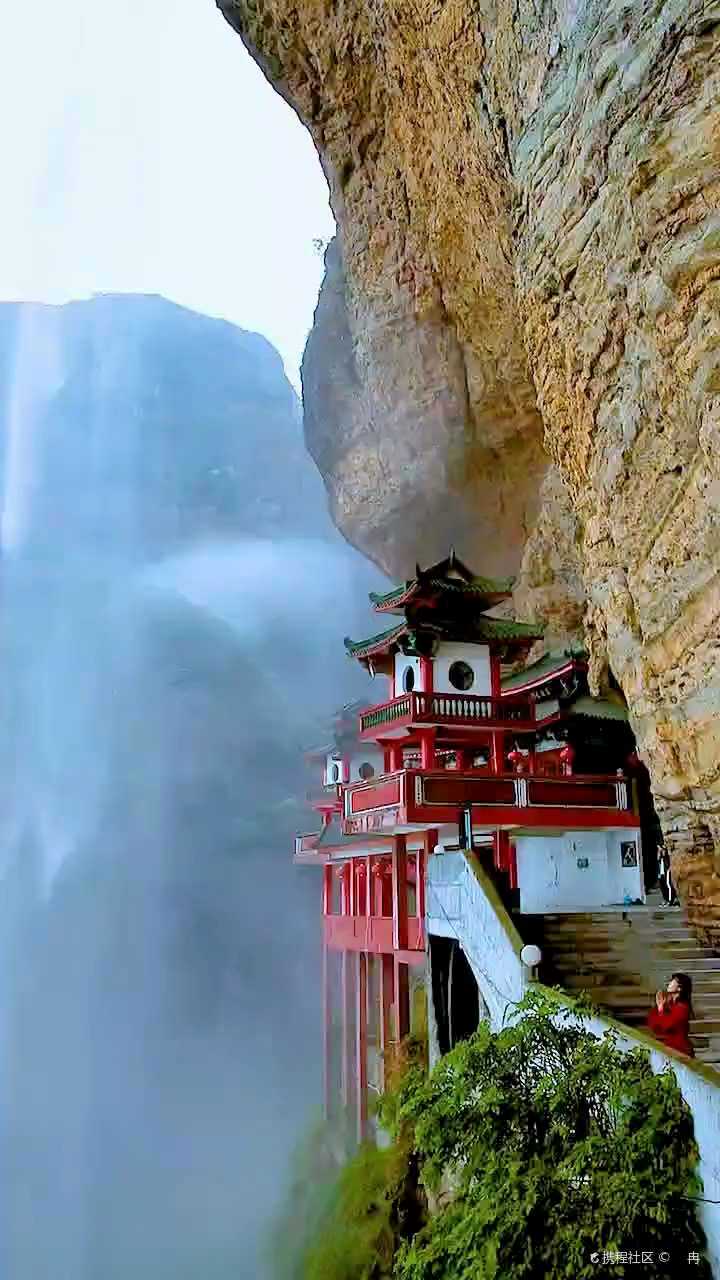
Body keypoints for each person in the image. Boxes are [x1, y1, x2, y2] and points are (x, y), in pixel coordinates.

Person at [646, 973, 694, 1057]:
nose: (669, 983)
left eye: (672, 981)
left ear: (679, 988)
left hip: (680, 1050)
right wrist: (659, 1006)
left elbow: (666, 1025)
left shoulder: (682, 1008)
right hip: (668, 1048)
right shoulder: (669, 1005)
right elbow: (654, 1027)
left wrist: (660, 1008)